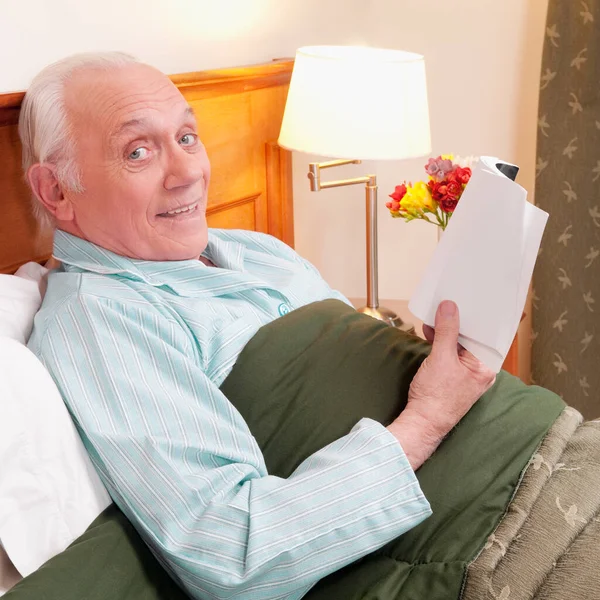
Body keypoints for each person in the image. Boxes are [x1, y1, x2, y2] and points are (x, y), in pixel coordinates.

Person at [23, 53, 495, 600]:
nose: (188, 173)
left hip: (534, 446)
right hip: (484, 537)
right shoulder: (100, 322)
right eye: (138, 151)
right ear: (56, 191)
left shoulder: (256, 249)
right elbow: (233, 556)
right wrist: (429, 417)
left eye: (187, 137)